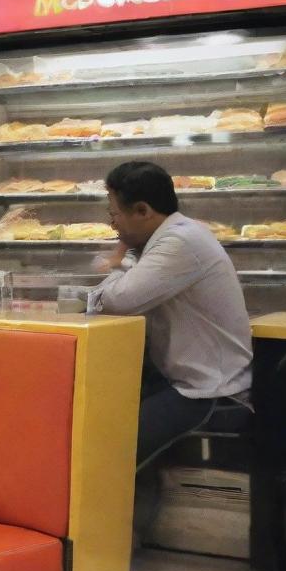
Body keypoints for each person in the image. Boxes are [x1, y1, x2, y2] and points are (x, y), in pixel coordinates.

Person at [88, 161, 253, 532]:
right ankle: (128, 534)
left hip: (208, 388)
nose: (111, 223)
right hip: (178, 377)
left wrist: (111, 268)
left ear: (143, 211)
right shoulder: (165, 238)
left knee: (111, 450)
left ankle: (106, 548)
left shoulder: (180, 241)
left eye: (114, 213)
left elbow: (118, 300)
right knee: (102, 424)